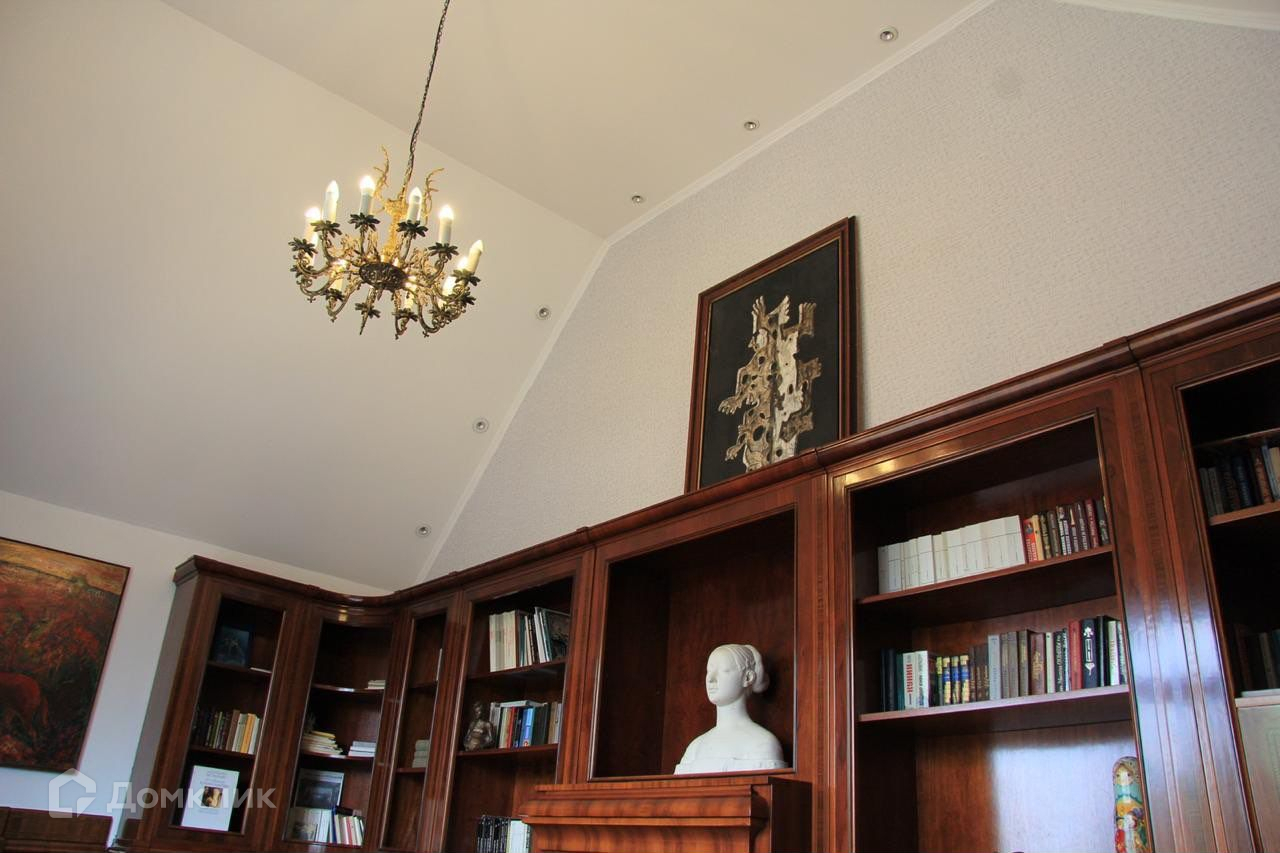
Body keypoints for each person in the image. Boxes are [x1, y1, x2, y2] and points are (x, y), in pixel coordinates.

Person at [674, 643, 786, 774]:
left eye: (724, 671)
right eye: (709, 671)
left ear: (747, 677)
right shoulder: (694, 748)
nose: (711, 679)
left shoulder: (763, 745)